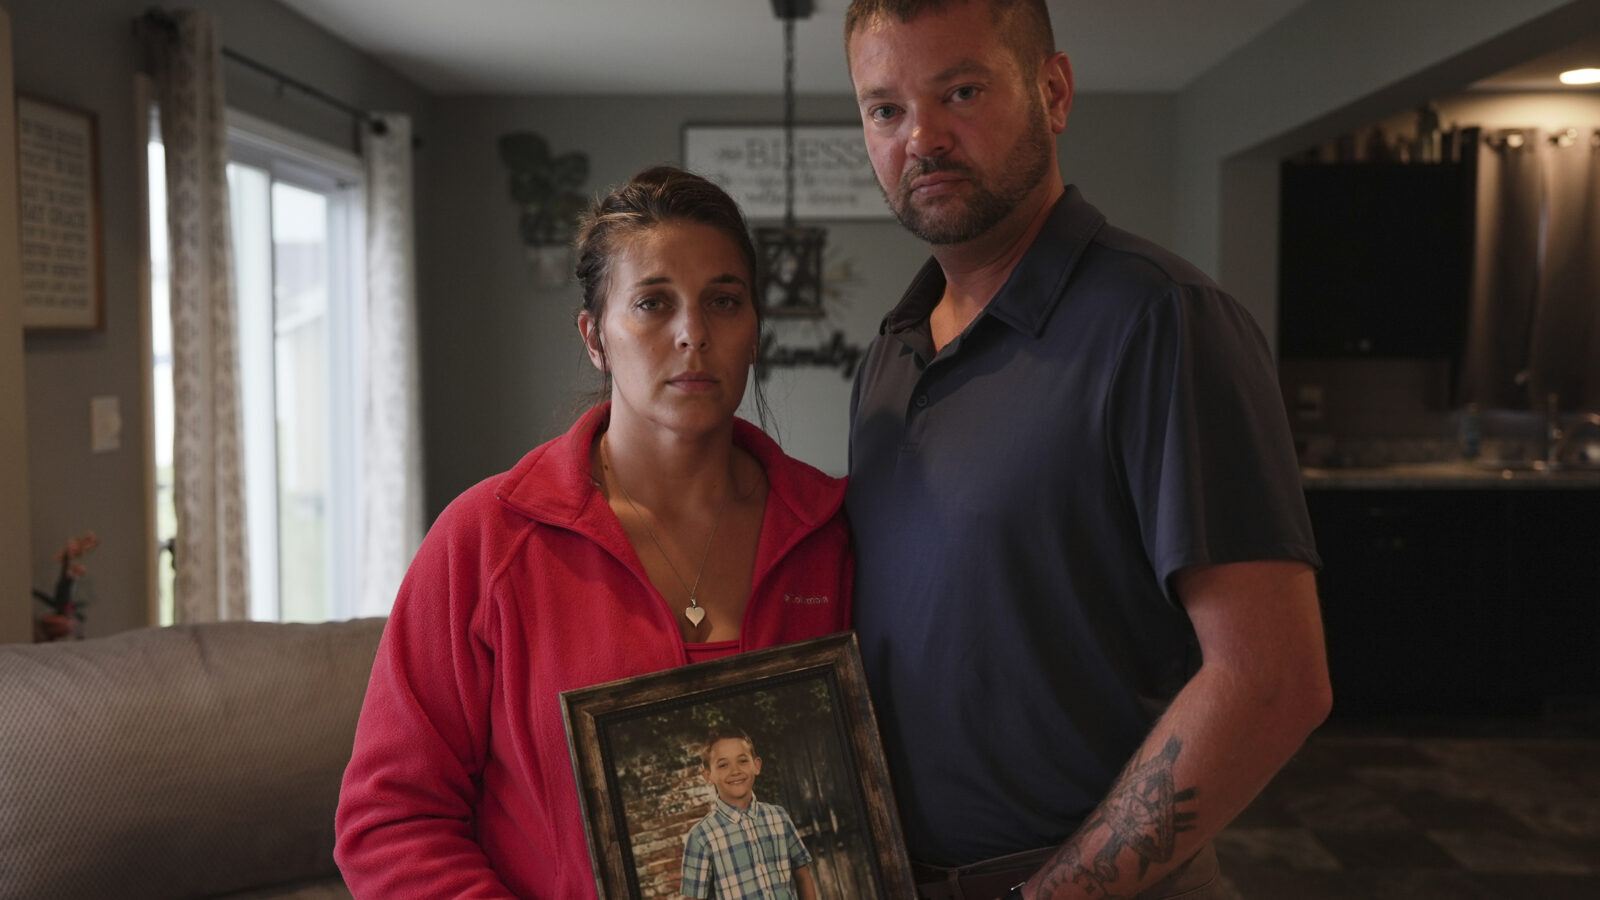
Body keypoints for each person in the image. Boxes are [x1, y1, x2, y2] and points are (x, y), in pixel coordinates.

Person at [840, 2, 1332, 898]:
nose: (922, 138)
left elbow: (1273, 680)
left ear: (1053, 92)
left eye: (960, 91)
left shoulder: (1163, 320)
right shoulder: (887, 359)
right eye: (886, 109)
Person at [333, 166, 854, 899]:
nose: (692, 334)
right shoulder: (484, 542)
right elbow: (390, 819)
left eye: (724, 302)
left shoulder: (833, 533)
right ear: (595, 337)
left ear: (754, 331)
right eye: (652, 303)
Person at [681, 725, 819, 900]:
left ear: (756, 765)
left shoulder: (778, 817)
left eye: (743, 760)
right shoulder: (701, 837)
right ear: (708, 776)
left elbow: (803, 875)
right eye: (723, 765)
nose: (735, 771)